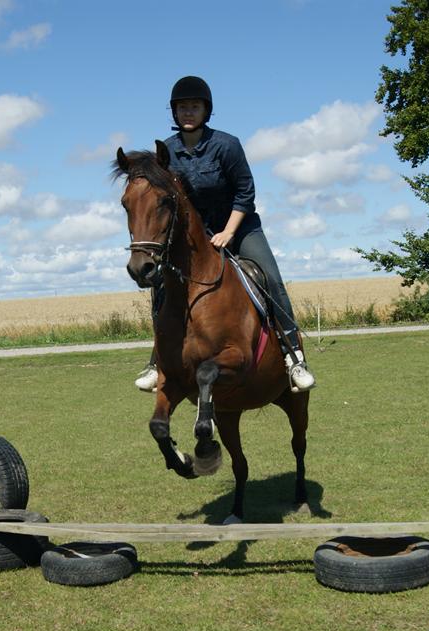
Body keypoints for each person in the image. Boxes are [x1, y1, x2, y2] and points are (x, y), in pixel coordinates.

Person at [134, 75, 316, 394]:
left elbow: (245, 192)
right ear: (174, 112)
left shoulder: (227, 145)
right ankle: (157, 361)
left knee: (270, 278)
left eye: (194, 106)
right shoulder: (167, 151)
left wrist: (228, 231)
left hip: (240, 226)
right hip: (195, 235)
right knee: (163, 287)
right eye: (182, 107)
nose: (188, 112)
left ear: (206, 110)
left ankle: (294, 357)